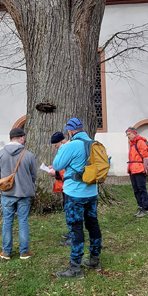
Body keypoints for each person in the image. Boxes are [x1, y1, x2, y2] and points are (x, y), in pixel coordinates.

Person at [52, 117, 102, 278]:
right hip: (92, 192)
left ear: (70, 131)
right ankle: (95, 259)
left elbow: (58, 165)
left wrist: (62, 148)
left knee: (75, 228)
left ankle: (75, 267)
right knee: (93, 225)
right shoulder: (94, 144)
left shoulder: (71, 145)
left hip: (74, 193)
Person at [0, 127, 38, 260]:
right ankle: (24, 251)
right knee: (23, 221)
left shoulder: (0, 154)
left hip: (6, 193)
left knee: (7, 221)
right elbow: (34, 175)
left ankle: (6, 251)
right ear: (22, 138)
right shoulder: (28, 155)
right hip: (23, 193)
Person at [44, 131, 70, 246]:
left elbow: (67, 169)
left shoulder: (67, 149)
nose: (55, 148)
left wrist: (56, 173)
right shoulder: (63, 149)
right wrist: (54, 167)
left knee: (70, 210)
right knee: (67, 209)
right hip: (65, 185)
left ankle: (73, 235)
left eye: (56, 146)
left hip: (69, 185)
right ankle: (71, 232)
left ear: (62, 141)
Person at [125, 127, 148, 217]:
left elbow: (145, 156)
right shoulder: (132, 144)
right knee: (136, 190)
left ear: (134, 133)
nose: (128, 136)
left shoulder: (140, 142)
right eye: (127, 135)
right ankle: (140, 206)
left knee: (141, 189)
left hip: (139, 169)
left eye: (130, 134)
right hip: (132, 169)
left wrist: (145, 169)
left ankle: (145, 208)